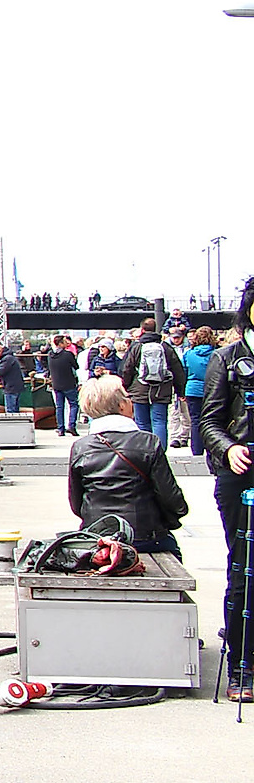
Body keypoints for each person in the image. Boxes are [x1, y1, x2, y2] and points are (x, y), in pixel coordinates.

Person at [193, 278, 254, 702]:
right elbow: (208, 421)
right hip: (242, 476)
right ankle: (241, 667)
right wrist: (229, 448)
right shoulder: (228, 358)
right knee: (246, 568)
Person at [67, 376, 189, 555]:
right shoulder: (148, 442)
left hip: (98, 537)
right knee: (171, 550)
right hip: (145, 537)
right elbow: (171, 497)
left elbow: (76, 502)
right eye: (127, 396)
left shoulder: (80, 447)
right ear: (121, 406)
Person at [120, 326, 184, 447]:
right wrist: (180, 390)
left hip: (139, 390)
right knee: (159, 422)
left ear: (143, 330)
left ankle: (145, 451)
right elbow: (177, 370)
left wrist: (126, 387)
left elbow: (127, 368)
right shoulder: (166, 347)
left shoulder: (136, 347)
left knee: (142, 423)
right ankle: (160, 452)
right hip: (162, 390)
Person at [182, 326, 219, 458]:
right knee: (212, 420)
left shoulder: (188, 354)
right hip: (212, 390)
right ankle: (211, 448)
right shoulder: (216, 354)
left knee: (195, 420)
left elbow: (183, 373)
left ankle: (196, 450)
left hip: (192, 389)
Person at [47, 336, 83, 436]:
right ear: (61, 343)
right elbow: (76, 366)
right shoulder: (68, 355)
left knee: (59, 407)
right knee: (74, 404)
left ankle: (60, 428)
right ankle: (71, 426)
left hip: (56, 384)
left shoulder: (50, 355)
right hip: (69, 383)